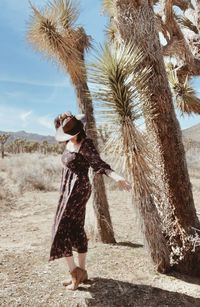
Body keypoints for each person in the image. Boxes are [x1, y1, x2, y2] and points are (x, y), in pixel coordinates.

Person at [48, 111, 131, 290]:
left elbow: (100, 164)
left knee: (61, 228)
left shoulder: (85, 144)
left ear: (79, 130)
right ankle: (81, 273)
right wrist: (66, 117)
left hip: (77, 189)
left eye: (71, 132)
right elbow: (58, 122)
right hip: (66, 189)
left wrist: (116, 177)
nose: (68, 135)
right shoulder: (70, 140)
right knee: (75, 228)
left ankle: (75, 274)